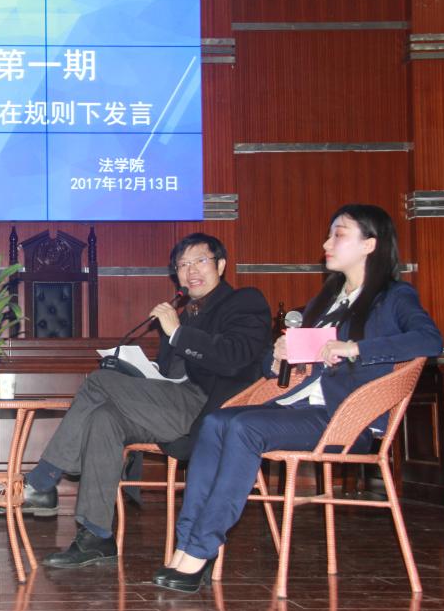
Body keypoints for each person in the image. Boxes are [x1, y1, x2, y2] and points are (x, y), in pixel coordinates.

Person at [155, 204, 444, 593]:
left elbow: (429, 340)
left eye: (338, 235)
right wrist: (276, 359)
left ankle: (201, 549)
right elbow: (281, 367)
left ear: (370, 244)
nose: (326, 243)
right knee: (216, 420)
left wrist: (355, 348)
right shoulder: (327, 301)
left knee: (242, 427)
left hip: (344, 418)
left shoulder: (394, 296)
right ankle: (187, 542)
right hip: (299, 408)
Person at [25, 233, 272, 568]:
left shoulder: (243, 302)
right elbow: (170, 374)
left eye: (200, 261)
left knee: (98, 382)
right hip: (174, 403)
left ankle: (44, 478)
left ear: (221, 265)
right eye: (182, 265)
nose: (191, 271)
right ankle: (96, 534)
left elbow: (234, 359)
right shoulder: (181, 314)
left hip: (211, 409)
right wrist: (143, 369)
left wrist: (178, 333)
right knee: (103, 417)